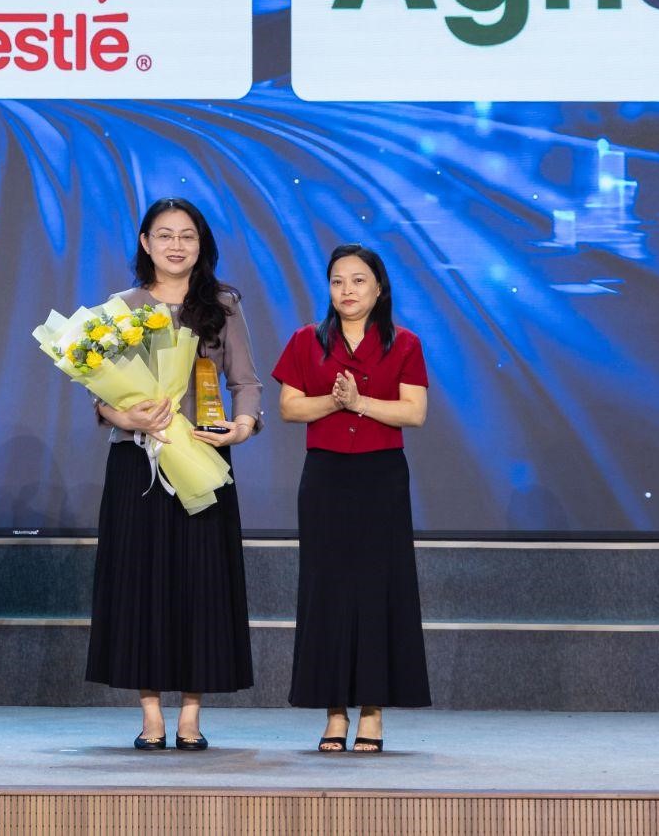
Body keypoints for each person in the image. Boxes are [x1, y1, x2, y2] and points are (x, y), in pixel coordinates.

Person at [86, 197, 259, 750]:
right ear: (146, 243)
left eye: (187, 235)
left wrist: (243, 426)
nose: (176, 245)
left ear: (200, 243)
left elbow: (245, 382)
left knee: (200, 585)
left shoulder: (223, 304)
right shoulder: (121, 307)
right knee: (141, 586)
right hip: (137, 460)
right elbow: (98, 392)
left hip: (202, 457)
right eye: (164, 235)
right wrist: (123, 415)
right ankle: (150, 715)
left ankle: (190, 714)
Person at [274, 243, 432, 753]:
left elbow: (414, 412)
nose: (347, 290)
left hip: (381, 477)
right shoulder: (307, 340)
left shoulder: (403, 343)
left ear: (379, 288)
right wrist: (334, 401)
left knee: (378, 589)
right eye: (338, 281)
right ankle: (334, 713)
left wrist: (360, 403)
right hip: (325, 477)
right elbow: (290, 408)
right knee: (328, 590)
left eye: (359, 280)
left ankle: (372, 712)